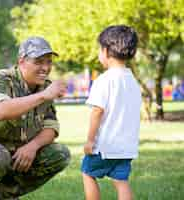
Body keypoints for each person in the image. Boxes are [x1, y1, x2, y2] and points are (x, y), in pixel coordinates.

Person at [0, 36, 71, 200]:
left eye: (49, 61)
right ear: (22, 61)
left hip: (14, 150)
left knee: (60, 154)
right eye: (38, 61)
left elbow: (51, 127)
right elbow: (1, 111)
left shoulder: (45, 86)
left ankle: (2, 196)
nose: (45, 67)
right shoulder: (1, 79)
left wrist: (32, 146)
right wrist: (44, 96)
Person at [81, 25, 142, 200]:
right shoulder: (132, 82)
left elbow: (97, 111)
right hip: (126, 147)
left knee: (87, 173)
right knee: (121, 181)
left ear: (106, 51)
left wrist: (90, 141)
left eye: (99, 49)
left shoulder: (104, 80)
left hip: (105, 147)